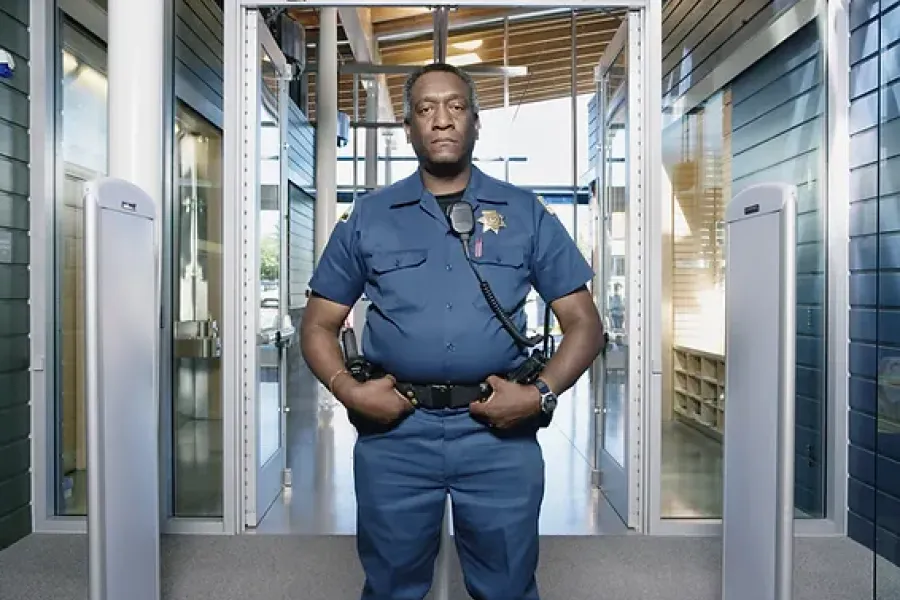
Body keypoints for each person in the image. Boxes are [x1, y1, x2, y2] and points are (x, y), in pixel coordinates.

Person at [300, 62, 604, 600]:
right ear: (409, 126)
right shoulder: (369, 217)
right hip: (395, 433)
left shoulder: (525, 213)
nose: (442, 120)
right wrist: (350, 391)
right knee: (391, 585)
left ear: (476, 121)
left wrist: (538, 395)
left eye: (456, 107)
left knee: (507, 585)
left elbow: (584, 324)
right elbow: (318, 325)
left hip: (498, 433)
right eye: (426, 109)